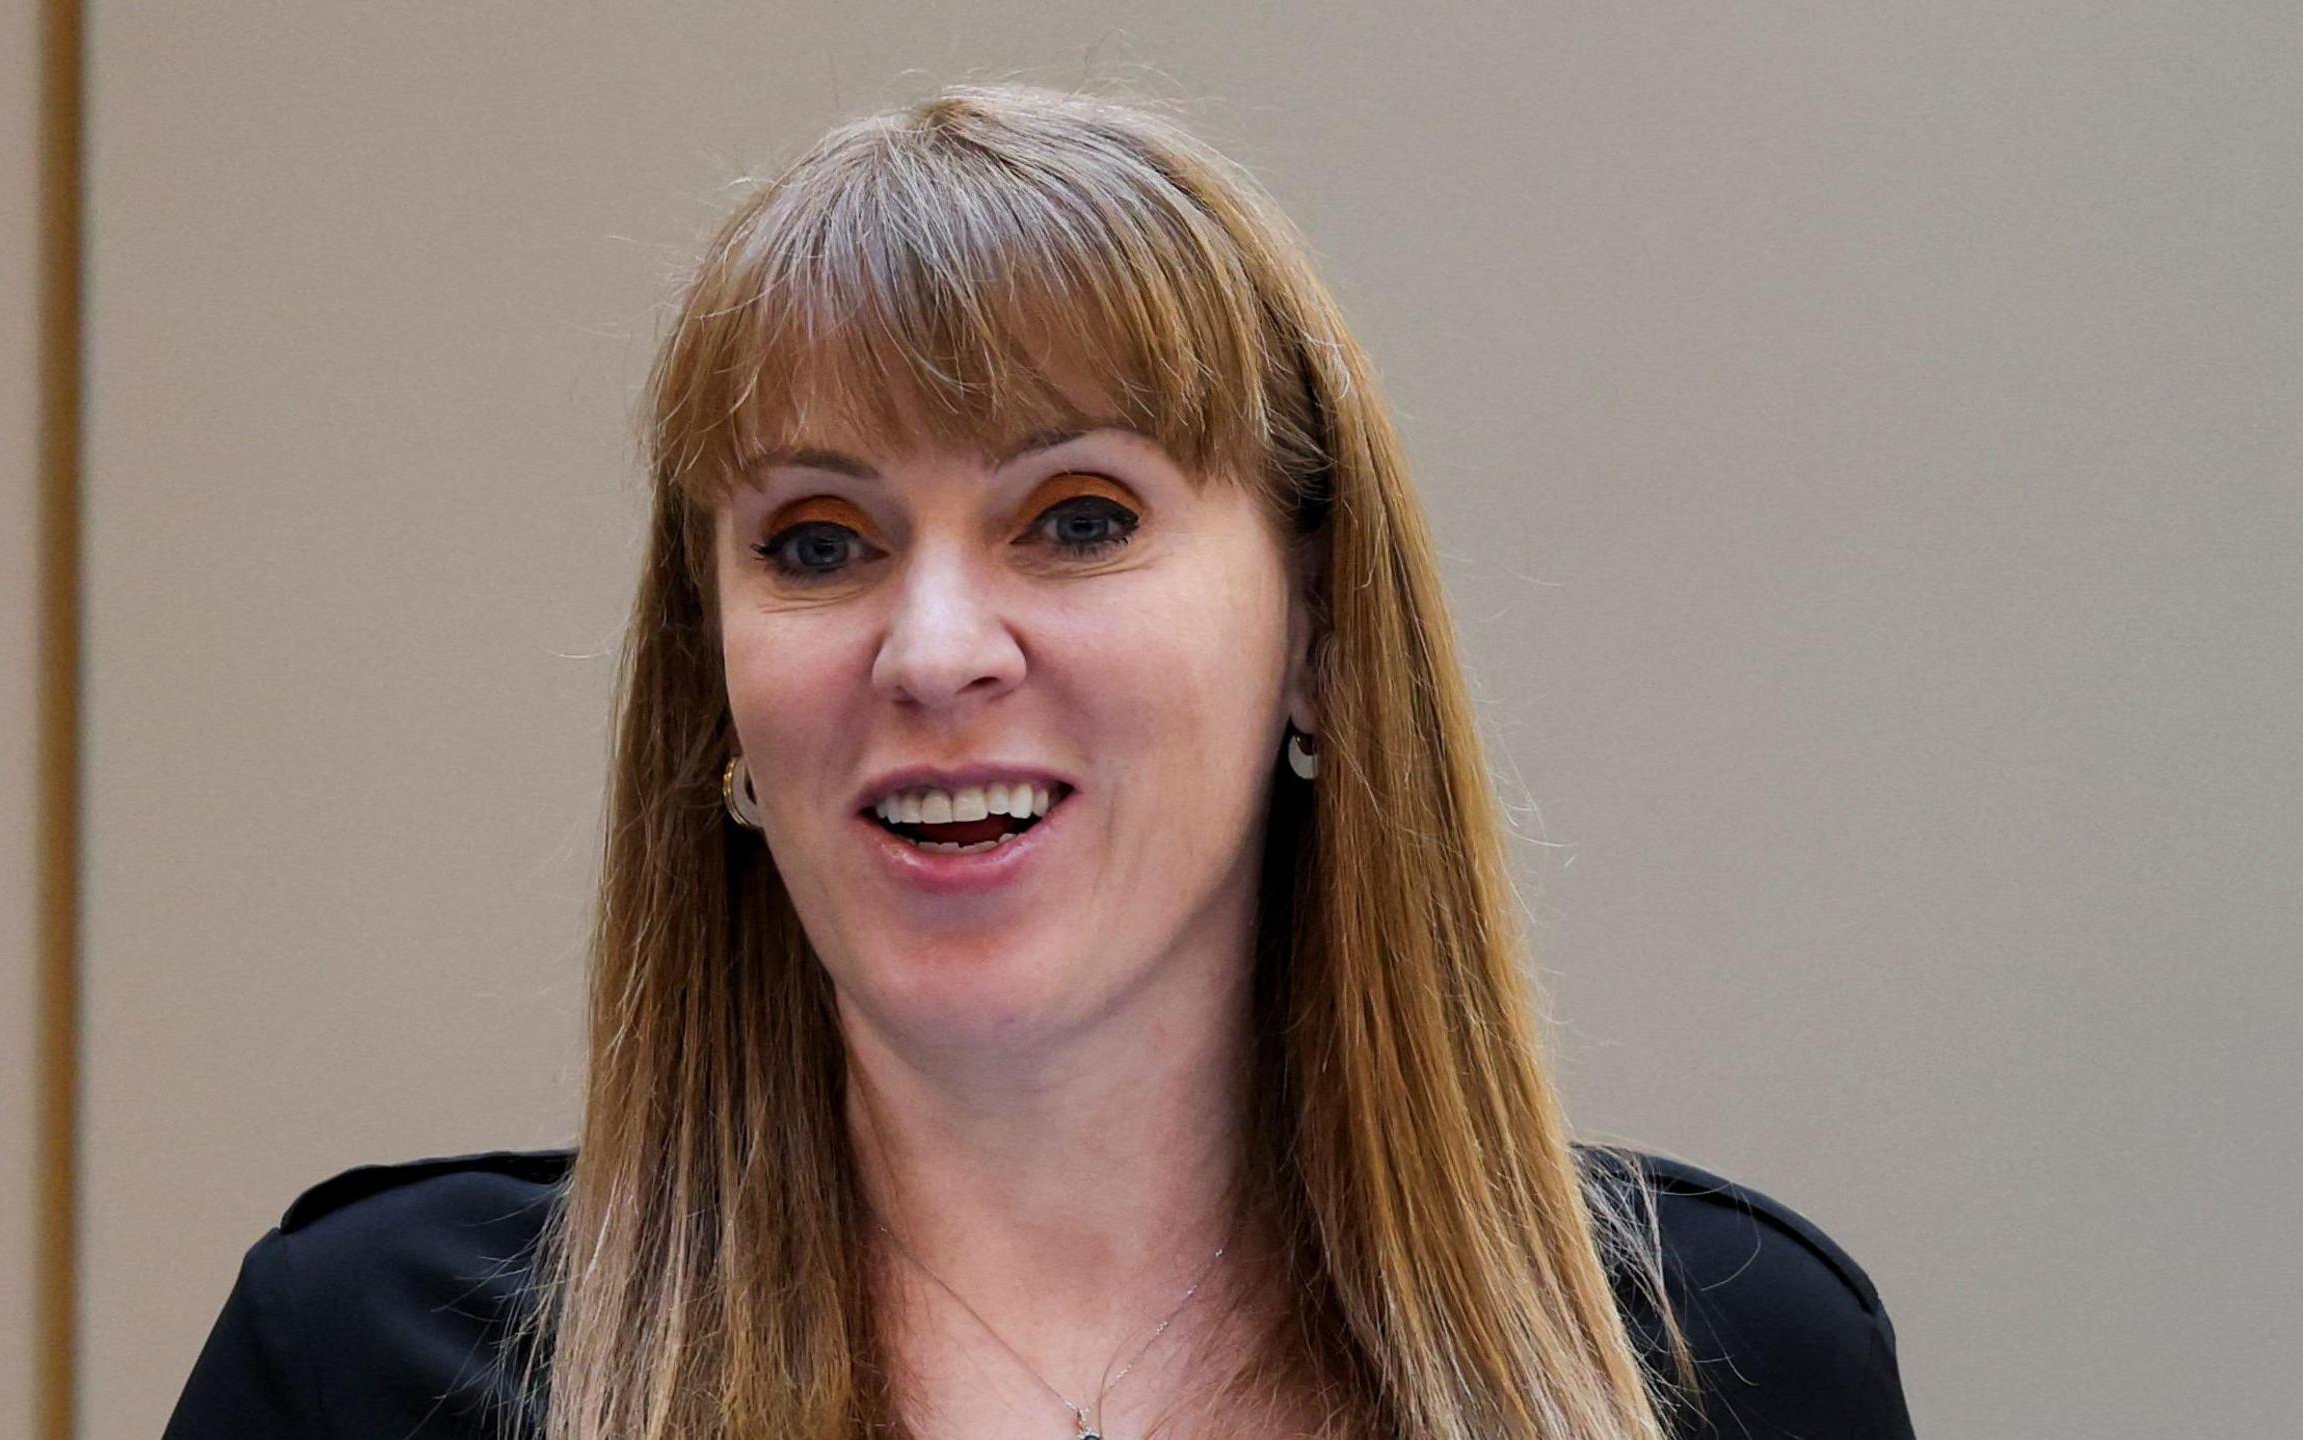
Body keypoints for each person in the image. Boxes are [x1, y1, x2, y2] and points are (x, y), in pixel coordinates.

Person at [167, 83, 1915, 1440]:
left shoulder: (1718, 1366)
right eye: (819, 542)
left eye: (1076, 520)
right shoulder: (363, 1374)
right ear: (713, 692)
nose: (933, 650)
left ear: (1315, 629)